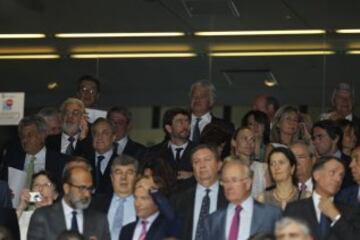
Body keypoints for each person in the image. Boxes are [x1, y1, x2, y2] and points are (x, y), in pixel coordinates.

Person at [199, 160, 282, 240]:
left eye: (234, 180)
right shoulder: (212, 220)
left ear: (248, 183)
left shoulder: (272, 215)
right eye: (225, 181)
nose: (229, 186)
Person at [284, 156, 360, 240]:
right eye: (332, 172)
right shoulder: (294, 209)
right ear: (316, 175)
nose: (338, 179)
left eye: (341, 176)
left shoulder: (351, 211)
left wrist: (336, 216)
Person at [27, 166, 110, 240]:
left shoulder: (100, 220)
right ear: (66, 188)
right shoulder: (42, 216)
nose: (87, 194)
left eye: (89, 189)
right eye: (81, 188)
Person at [171, 144, 227, 240]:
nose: (202, 165)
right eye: (196, 162)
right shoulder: (178, 200)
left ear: (219, 165)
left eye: (207, 160)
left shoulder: (230, 197)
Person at [1, 115, 68, 186]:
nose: (24, 140)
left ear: (42, 135)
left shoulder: (60, 162)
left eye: (29, 135)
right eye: (22, 136)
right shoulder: (11, 161)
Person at [90, 155, 138, 240]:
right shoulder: (94, 203)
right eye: (118, 172)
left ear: (137, 178)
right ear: (111, 177)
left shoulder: (145, 206)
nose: (124, 178)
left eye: (129, 172)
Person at [147, 108, 196, 191]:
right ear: (169, 128)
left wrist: (194, 175)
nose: (185, 125)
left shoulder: (200, 150)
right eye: (180, 121)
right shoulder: (154, 153)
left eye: (187, 121)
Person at [119, 176, 179, 240]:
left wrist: (153, 190)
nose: (137, 204)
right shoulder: (126, 230)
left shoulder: (166, 226)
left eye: (144, 198)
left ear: (157, 200)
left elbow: (172, 217)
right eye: (136, 198)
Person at [312, 119, 355, 188]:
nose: (315, 142)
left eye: (320, 137)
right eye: (314, 138)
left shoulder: (351, 164)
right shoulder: (313, 164)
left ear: (335, 138)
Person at [17, 171, 59, 240]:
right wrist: (21, 207)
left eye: (46, 185)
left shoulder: (63, 219)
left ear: (55, 194)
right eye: (36, 185)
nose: (40, 189)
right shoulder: (21, 216)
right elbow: (6, 234)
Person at [230, 127, 269, 197]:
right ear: (234, 142)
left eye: (252, 140)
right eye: (245, 138)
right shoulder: (227, 168)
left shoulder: (262, 168)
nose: (249, 143)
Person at [83, 118, 117, 194]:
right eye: (95, 133)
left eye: (104, 133)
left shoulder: (121, 163)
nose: (99, 137)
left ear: (113, 137)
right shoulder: (83, 161)